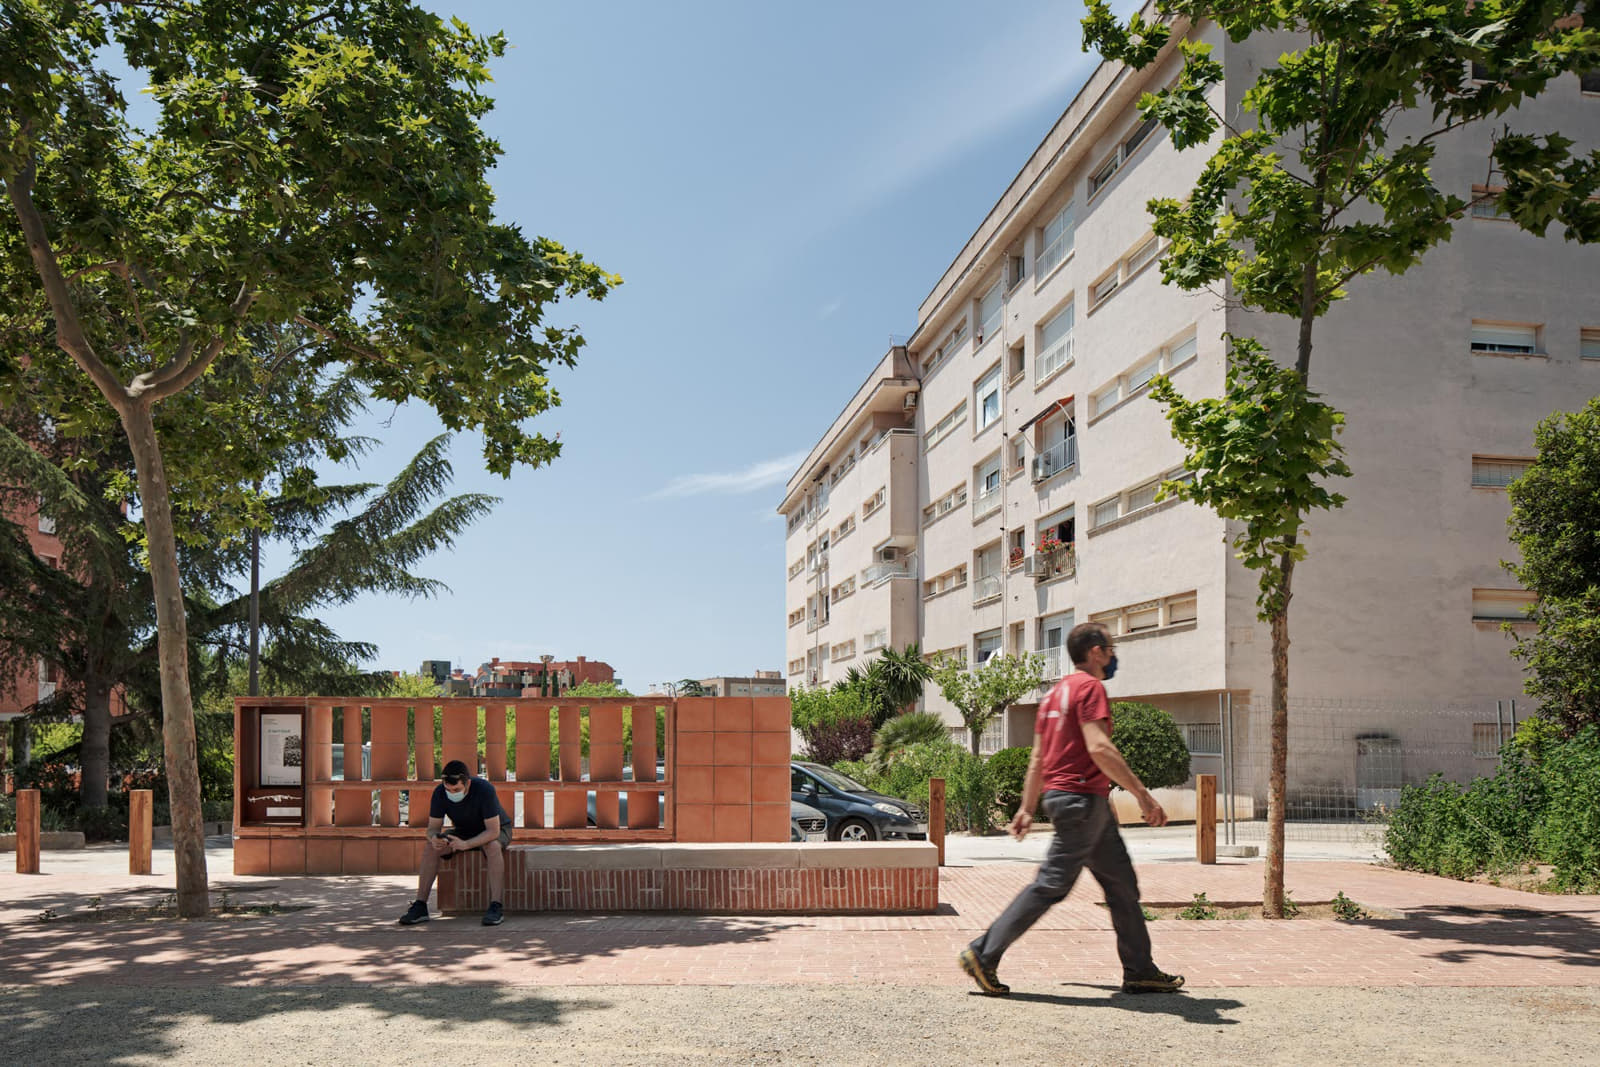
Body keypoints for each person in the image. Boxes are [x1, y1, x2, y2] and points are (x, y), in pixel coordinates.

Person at [958, 622, 1185, 996]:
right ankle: (983, 954)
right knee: (1051, 885)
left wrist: (1028, 807)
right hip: (1081, 801)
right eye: (1110, 649)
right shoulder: (1090, 688)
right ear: (1095, 651)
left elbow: (1038, 758)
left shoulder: (1053, 695)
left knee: (1122, 886)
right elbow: (1099, 748)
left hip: (1076, 801)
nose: (1113, 657)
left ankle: (1140, 970)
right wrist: (1143, 795)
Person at [397, 759, 512, 927]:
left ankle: (496, 906)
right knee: (431, 847)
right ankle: (420, 905)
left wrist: (466, 845)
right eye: (448, 789)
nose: (452, 792)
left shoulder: (484, 789)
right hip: (462, 830)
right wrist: (435, 838)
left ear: (468, 783)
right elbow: (432, 829)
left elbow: (493, 831)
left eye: (457, 789)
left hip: (496, 829)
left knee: (492, 846)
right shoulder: (439, 793)